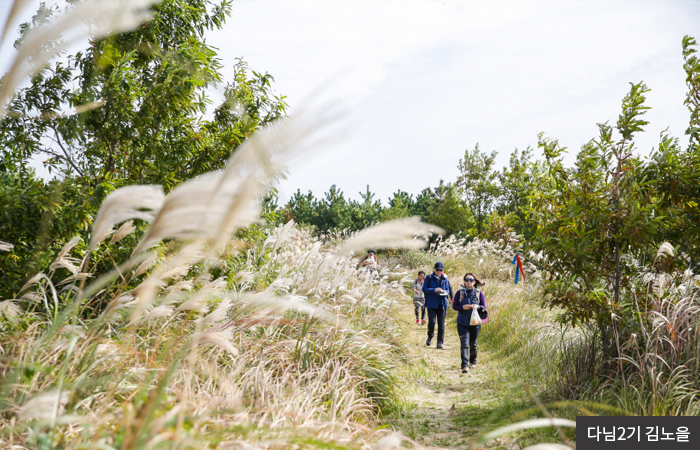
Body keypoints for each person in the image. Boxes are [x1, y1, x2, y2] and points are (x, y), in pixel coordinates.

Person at [452, 272, 488, 374]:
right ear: (464, 281)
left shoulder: (478, 293)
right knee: (464, 344)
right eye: (467, 280)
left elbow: (483, 306)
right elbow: (455, 306)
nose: (469, 282)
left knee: (473, 343)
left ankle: (473, 361)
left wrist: (477, 307)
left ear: (474, 282)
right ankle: (464, 365)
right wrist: (463, 307)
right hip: (462, 322)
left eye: (471, 280)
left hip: (475, 323)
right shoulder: (460, 293)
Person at [422, 262, 452, 349]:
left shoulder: (445, 279)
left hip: (442, 304)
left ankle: (439, 343)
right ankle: (430, 336)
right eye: (437, 270)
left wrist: (444, 292)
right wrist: (434, 290)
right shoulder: (429, 278)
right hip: (431, 304)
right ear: (434, 268)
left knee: (441, 324)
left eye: (440, 270)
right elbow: (424, 289)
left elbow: (448, 290)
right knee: (432, 322)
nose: (438, 272)